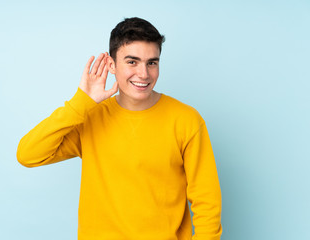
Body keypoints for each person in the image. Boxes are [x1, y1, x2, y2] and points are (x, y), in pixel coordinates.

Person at [17, 17, 222, 240]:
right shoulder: (90, 117)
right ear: (111, 65)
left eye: (152, 62)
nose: (144, 74)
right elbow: (28, 154)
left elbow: (207, 202)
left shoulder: (186, 119)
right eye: (132, 62)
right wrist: (80, 102)